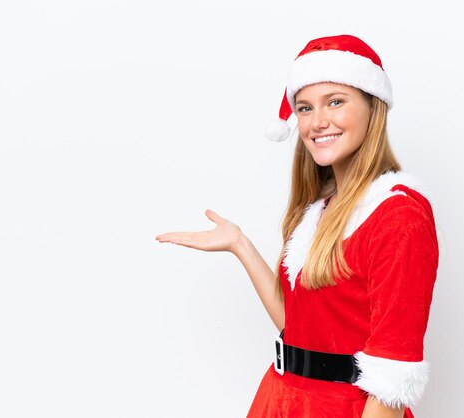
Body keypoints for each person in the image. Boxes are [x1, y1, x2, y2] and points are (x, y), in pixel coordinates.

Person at [155, 34, 439, 418]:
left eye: (335, 102)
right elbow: (299, 326)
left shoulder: (398, 217)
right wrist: (241, 245)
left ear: (374, 108)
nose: (317, 122)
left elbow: (389, 383)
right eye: (304, 108)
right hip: (283, 400)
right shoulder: (321, 209)